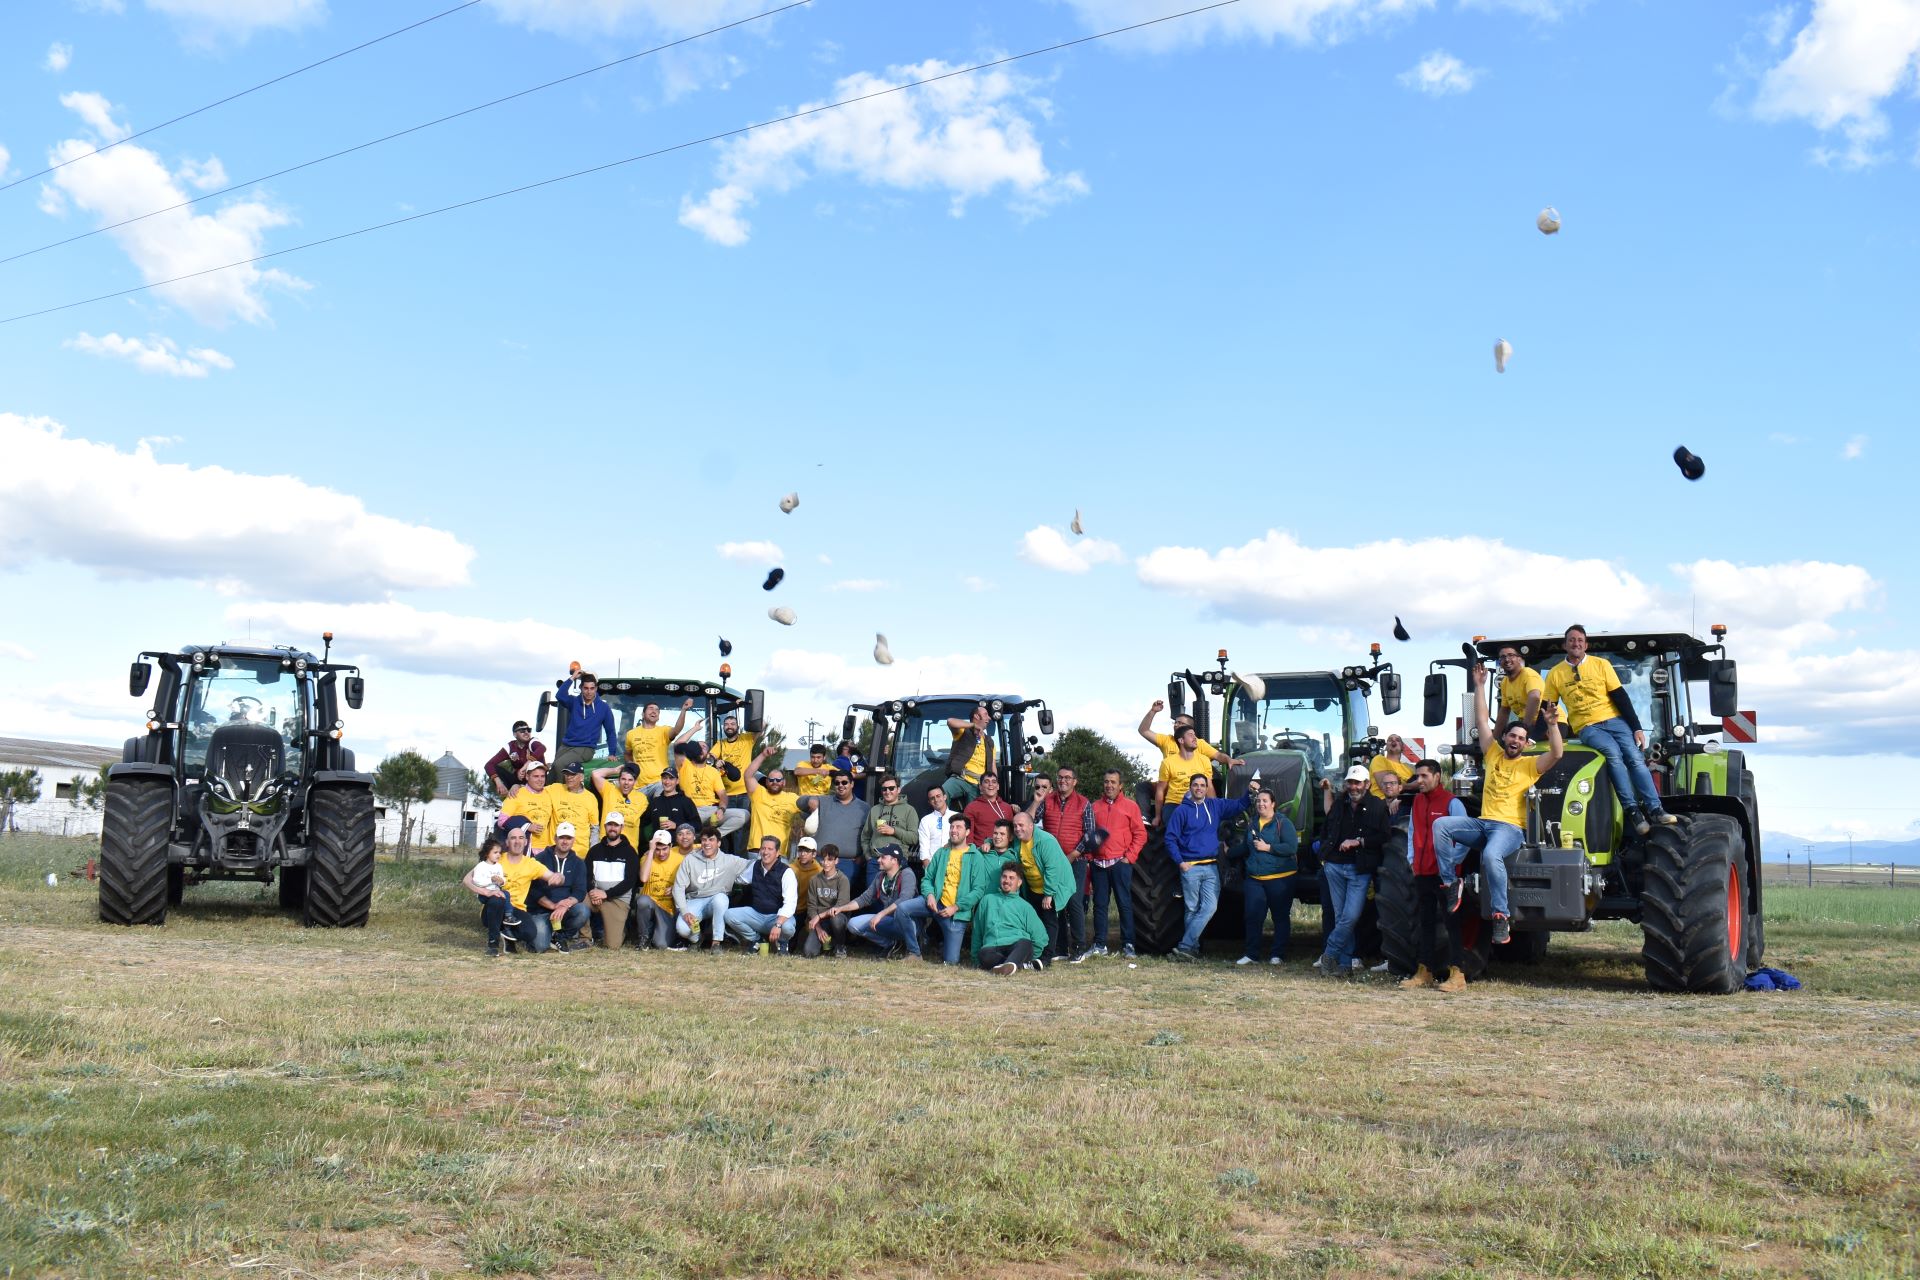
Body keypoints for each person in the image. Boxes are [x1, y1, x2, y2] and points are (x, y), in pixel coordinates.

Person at [1433, 666, 1566, 946]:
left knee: (1491, 855)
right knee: (1441, 826)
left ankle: (1500, 916)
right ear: (1504, 738)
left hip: (1508, 829)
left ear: (1526, 744)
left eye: (1520, 737)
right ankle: (1450, 883)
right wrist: (1479, 685)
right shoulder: (1493, 754)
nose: (1515, 740)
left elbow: (1556, 752)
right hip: (1483, 824)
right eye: (1511, 735)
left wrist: (1552, 725)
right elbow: (1482, 721)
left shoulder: (1531, 765)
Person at [1541, 624, 1672, 837]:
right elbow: (1546, 708)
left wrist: (1636, 727)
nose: (1576, 643)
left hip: (1615, 720)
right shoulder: (1556, 674)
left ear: (1586, 645)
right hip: (1587, 727)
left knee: (1635, 757)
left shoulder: (1601, 665)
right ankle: (1632, 810)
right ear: (1565, 645)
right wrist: (1533, 734)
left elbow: (1620, 696)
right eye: (1572, 640)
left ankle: (1655, 808)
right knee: (1613, 753)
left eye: (1580, 640)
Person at [1162, 773, 1256, 960]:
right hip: (1191, 867)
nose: (1199, 788)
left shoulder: (1214, 805)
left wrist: (1250, 792)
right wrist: (1180, 862)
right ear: (1190, 787)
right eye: (1195, 785)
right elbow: (1170, 838)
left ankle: (1185, 946)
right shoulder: (1182, 811)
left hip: (1211, 866)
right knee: (1191, 909)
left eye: (1202, 785)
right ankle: (1191, 951)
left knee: (1210, 907)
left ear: (1206, 788)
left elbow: (1238, 805)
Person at [1401, 758, 1470, 992]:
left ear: (1437, 776)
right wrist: (1412, 860)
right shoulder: (1417, 802)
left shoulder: (1452, 803)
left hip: (1446, 876)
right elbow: (1412, 832)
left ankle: (1457, 973)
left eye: (1424, 776)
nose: (1419, 781)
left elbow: (1465, 839)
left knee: (1452, 923)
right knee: (1425, 922)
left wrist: (1450, 865)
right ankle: (1425, 971)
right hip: (1422, 873)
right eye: (1417, 776)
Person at [1315, 765, 1389, 977]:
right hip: (1335, 866)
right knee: (1341, 917)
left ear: (1366, 784)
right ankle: (1345, 965)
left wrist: (1359, 841)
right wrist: (1325, 856)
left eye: (1357, 783)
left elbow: (1384, 836)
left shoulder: (1377, 806)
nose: (1353, 787)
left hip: (1359, 868)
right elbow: (1327, 829)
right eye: (1350, 782)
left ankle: (1329, 955)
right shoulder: (1340, 804)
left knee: (1350, 916)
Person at [1138, 700, 1241, 823]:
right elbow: (1143, 730)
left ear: (1190, 729)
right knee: (1142, 787)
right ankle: (1146, 820)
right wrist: (1153, 711)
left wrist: (1229, 760)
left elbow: (1218, 755)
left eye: (1180, 723)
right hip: (1170, 789)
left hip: (1193, 792)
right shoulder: (1167, 741)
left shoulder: (1199, 744)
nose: (1176, 725)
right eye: (1175, 722)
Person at [910, 814, 994, 965]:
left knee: (951, 961)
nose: (954, 830)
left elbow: (978, 890)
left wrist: (956, 907)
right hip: (934, 903)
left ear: (967, 832)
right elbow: (927, 878)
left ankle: (933, 939)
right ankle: (914, 950)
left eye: (958, 827)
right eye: (952, 827)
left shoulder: (976, 857)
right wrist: (929, 895)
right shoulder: (942, 853)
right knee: (903, 909)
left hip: (955, 913)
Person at [1031, 767, 1094, 960]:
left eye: (1067, 778)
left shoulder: (1084, 803)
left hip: (1076, 860)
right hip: (1051, 861)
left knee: (1074, 901)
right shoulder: (1047, 800)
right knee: (1055, 903)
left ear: (1075, 781)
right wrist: (1036, 801)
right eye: (1059, 777)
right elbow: (1029, 821)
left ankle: (1079, 948)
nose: (1063, 781)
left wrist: (1073, 854)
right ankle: (1061, 949)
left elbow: (1090, 833)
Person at [1235, 787, 1300, 966]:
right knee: (1253, 916)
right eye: (1258, 801)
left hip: (1280, 878)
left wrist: (1269, 847)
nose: (1261, 804)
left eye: (1265, 801)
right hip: (1255, 879)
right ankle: (1251, 954)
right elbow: (1247, 847)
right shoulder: (1253, 823)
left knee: (1280, 917)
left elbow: (1291, 847)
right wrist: (1228, 851)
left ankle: (1277, 955)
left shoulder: (1283, 823)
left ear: (1273, 804)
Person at [1087, 768, 1147, 957]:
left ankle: (1128, 944)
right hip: (1099, 864)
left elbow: (1140, 834)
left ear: (1120, 785)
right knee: (1100, 905)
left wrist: (1129, 857)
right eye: (1106, 781)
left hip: (1120, 863)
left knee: (1124, 904)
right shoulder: (1094, 806)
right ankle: (1100, 945)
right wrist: (1090, 857)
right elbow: (1088, 835)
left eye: (1113, 782)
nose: (1109, 785)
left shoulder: (1131, 806)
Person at [1010, 811, 1076, 964]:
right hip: (1033, 888)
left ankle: (1047, 957)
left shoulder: (1046, 841)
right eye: (1015, 826)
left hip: (1052, 886)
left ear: (1031, 826)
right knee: (1036, 921)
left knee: (1049, 920)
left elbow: (1052, 868)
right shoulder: (1018, 840)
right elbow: (1001, 835)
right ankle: (1036, 953)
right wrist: (987, 841)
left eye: (1021, 825)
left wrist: (1049, 894)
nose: (1018, 829)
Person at [831, 845, 919, 958]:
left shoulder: (907, 874)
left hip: (909, 923)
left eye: (883, 857)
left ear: (894, 860)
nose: (878, 860)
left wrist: (880, 914)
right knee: (853, 924)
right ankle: (891, 945)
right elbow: (864, 899)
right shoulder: (880, 876)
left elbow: (904, 899)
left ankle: (910, 946)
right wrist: (841, 908)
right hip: (890, 920)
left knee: (907, 920)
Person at [671, 830, 751, 951]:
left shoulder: (729, 860)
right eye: (704, 840)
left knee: (721, 899)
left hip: (716, 900)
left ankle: (716, 942)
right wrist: (685, 911)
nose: (707, 843)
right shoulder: (690, 859)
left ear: (718, 843)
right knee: (682, 929)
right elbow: (678, 887)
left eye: (711, 840)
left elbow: (753, 866)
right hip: (695, 899)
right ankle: (696, 939)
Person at [971, 862, 1051, 975]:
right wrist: (975, 959)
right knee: (983, 954)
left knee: (1025, 943)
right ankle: (1020, 966)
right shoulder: (987, 900)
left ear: (1019, 883)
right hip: (992, 946)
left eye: (1011, 878)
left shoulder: (1025, 906)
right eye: (1004, 876)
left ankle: (1007, 965)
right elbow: (977, 931)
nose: (1007, 881)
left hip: (1017, 945)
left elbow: (1040, 937)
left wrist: (1031, 954)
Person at [725, 837, 798, 953]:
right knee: (729, 915)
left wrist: (778, 924)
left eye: (770, 849)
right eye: (763, 848)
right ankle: (757, 940)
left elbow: (790, 903)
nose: (765, 852)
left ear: (777, 853)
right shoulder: (755, 866)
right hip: (757, 915)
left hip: (776, 917)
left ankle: (782, 943)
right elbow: (740, 879)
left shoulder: (786, 872)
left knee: (788, 928)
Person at [530, 822, 592, 953]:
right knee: (540, 947)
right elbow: (533, 890)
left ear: (573, 840)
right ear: (555, 838)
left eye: (568, 838)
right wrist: (553, 906)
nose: (565, 841)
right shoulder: (540, 859)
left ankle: (560, 936)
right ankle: (546, 933)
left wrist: (565, 905)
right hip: (542, 910)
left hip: (565, 911)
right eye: (562, 837)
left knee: (583, 911)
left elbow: (580, 891)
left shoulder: (579, 863)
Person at [585, 811, 640, 950]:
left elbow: (630, 881)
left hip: (617, 900)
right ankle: (584, 938)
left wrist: (606, 894)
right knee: (578, 903)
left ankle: (622, 931)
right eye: (610, 824)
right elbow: (586, 876)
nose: (612, 828)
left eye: (616, 825)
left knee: (612, 945)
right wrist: (592, 891)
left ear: (621, 828)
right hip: (595, 896)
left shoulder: (630, 852)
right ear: (605, 826)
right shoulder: (594, 850)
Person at [551, 668, 618, 779]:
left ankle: (562, 795)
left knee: (559, 765)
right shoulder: (574, 702)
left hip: (585, 748)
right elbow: (560, 696)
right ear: (581, 688)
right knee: (553, 769)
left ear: (596, 688)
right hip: (566, 745)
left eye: (592, 688)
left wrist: (612, 753)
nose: (589, 691)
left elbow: (610, 732)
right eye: (586, 688)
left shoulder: (604, 708)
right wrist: (572, 678)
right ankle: (549, 794)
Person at [814, 771, 870, 896]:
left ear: (852, 784)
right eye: (837, 783)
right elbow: (800, 802)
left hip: (848, 862)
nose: (841, 785)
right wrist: (811, 801)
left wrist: (861, 858)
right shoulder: (824, 802)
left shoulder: (864, 808)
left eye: (844, 782)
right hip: (820, 860)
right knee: (817, 895)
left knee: (840, 897)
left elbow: (869, 835)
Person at [677, 742, 744, 844]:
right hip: (692, 810)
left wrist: (721, 809)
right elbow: (678, 743)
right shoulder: (685, 764)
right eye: (697, 746)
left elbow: (723, 795)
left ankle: (713, 836)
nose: (699, 749)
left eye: (703, 747)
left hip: (711, 810)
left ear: (708, 754)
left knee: (743, 815)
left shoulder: (713, 772)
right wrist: (695, 729)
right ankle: (701, 837)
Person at [496, 821, 546, 954]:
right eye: (513, 838)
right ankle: (498, 931)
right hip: (496, 905)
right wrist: (481, 891)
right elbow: (468, 879)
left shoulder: (531, 864)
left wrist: (559, 877)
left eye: (521, 838)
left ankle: (508, 936)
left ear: (526, 842)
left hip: (517, 909)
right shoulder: (497, 859)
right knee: (497, 902)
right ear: (507, 842)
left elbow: (552, 876)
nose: (517, 842)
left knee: (530, 933)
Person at [631, 828, 685, 950]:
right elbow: (644, 878)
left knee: (661, 944)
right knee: (643, 900)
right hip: (650, 902)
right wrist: (650, 852)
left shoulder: (680, 860)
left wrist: (675, 888)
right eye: (657, 849)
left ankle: (655, 934)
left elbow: (686, 884)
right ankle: (643, 938)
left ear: (671, 846)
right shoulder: (647, 857)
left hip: (667, 907)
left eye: (664, 849)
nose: (661, 853)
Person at [626, 698, 695, 791]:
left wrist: (683, 710)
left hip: (659, 783)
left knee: (659, 802)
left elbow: (677, 729)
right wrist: (631, 767)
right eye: (651, 708)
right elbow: (627, 754)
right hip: (638, 785)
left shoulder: (663, 731)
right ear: (642, 714)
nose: (654, 711)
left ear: (658, 716)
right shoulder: (631, 734)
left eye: (657, 710)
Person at [461, 835, 512, 957]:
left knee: (506, 894)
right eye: (495, 852)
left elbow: (503, 879)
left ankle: (509, 916)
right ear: (487, 854)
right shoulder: (481, 866)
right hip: (485, 893)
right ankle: (493, 942)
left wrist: (501, 881)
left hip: (496, 891)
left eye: (499, 852)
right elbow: (477, 881)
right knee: (496, 900)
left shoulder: (498, 866)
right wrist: (491, 880)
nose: (498, 855)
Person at [744, 747, 800, 855]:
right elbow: (748, 775)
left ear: (783, 783)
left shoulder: (793, 798)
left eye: (778, 780)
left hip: (779, 853)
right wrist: (763, 755)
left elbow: (811, 806)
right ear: (767, 781)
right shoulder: (758, 793)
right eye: (771, 780)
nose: (775, 782)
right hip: (757, 850)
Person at [802, 844, 853, 958]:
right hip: (821, 922)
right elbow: (811, 907)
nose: (826, 863)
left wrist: (819, 916)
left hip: (838, 917)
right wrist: (818, 928)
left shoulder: (843, 879)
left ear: (836, 861)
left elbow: (841, 905)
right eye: (823, 860)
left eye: (830, 860)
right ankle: (826, 943)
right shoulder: (814, 880)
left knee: (836, 918)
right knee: (809, 952)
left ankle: (840, 946)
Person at [940, 703, 996, 805]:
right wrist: (973, 725)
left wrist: (995, 784)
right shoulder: (963, 732)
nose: (989, 718)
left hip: (979, 784)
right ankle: (941, 819)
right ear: (976, 716)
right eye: (986, 714)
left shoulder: (990, 742)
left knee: (974, 812)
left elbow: (993, 766)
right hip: (961, 779)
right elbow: (950, 721)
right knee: (941, 794)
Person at [861, 776, 920, 869]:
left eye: (891, 788)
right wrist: (868, 857)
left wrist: (894, 831)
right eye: (884, 789)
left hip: (897, 860)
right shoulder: (874, 810)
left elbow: (914, 838)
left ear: (898, 790)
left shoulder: (909, 810)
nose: (887, 791)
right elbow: (865, 836)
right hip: (876, 861)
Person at [713, 714, 757, 836]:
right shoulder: (720, 743)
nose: (729, 727)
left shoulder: (747, 739)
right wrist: (716, 761)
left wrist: (752, 710)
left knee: (742, 829)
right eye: (726, 724)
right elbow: (710, 757)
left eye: (732, 724)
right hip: (727, 794)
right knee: (727, 827)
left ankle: (739, 855)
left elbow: (762, 726)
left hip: (744, 792)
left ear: (738, 726)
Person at [499, 760, 557, 852]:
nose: (540, 780)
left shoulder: (549, 793)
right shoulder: (516, 794)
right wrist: (527, 826)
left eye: (542, 776)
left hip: (545, 850)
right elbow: (502, 821)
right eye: (536, 776)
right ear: (527, 776)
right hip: (523, 849)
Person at [962, 773, 1017, 866]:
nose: (990, 784)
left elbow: (1013, 833)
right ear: (980, 787)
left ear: (998, 786)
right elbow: (968, 837)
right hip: (983, 855)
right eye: (986, 782)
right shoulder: (972, 807)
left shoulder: (1007, 807)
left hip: (1006, 856)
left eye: (994, 782)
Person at [547, 763, 601, 857]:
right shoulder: (555, 789)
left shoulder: (590, 798)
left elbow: (594, 828)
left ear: (581, 777)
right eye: (567, 774)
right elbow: (535, 790)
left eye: (573, 774)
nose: (569, 777)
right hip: (554, 852)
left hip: (579, 854)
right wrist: (517, 786)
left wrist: (593, 853)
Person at [1493, 644, 1545, 739]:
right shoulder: (1505, 682)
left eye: (1511, 655)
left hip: (1546, 722)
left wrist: (1524, 730)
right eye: (1503, 657)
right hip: (1527, 724)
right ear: (1499, 661)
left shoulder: (1528, 675)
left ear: (1519, 659)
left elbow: (1534, 697)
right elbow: (1504, 712)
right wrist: (1493, 740)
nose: (1507, 659)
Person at [484, 721, 545, 799]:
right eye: (522, 731)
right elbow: (489, 765)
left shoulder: (532, 742)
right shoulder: (510, 747)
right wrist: (499, 783)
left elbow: (542, 748)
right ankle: (505, 792)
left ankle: (522, 788)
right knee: (495, 768)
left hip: (537, 780)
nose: (526, 732)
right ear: (515, 734)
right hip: (519, 780)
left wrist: (525, 766)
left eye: (528, 730)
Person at [590, 762, 650, 841]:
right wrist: (615, 770)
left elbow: (637, 819)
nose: (626, 783)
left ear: (635, 782)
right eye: (623, 779)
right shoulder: (609, 790)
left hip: (628, 846)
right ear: (619, 780)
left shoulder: (642, 798)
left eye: (630, 780)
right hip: (606, 843)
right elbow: (595, 774)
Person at [645, 767, 700, 845]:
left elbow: (698, 825)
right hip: (659, 848)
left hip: (679, 847)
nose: (667, 781)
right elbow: (642, 822)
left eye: (671, 778)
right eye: (665, 778)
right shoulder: (655, 802)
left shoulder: (685, 801)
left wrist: (677, 825)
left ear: (677, 781)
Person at [917, 785, 954, 873]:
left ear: (944, 797)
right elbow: (924, 848)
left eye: (938, 796)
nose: (936, 800)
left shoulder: (957, 817)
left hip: (954, 866)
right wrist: (929, 871)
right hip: (933, 867)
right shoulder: (925, 820)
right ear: (929, 802)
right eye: (932, 798)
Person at [1368, 734, 1416, 799]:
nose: (1393, 741)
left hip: (1402, 804)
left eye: (1397, 740)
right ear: (1386, 747)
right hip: (1381, 803)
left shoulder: (1409, 769)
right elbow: (1386, 786)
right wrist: (1411, 786)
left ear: (1403, 747)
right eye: (1390, 740)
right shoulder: (1379, 759)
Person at [791, 743, 834, 812]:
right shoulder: (803, 764)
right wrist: (819, 771)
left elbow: (846, 775)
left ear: (824, 757)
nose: (815, 760)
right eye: (813, 757)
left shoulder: (829, 768)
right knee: (813, 802)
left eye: (818, 757)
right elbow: (797, 771)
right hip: (805, 799)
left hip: (823, 800)